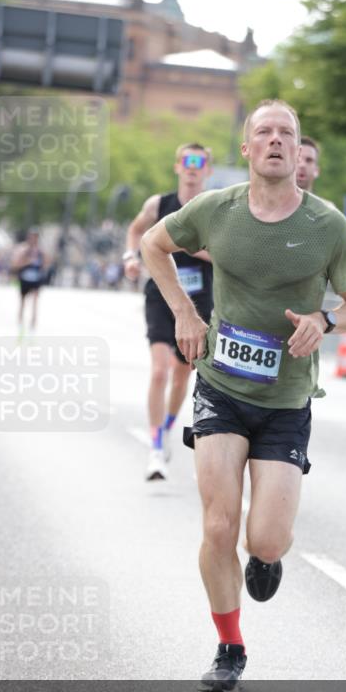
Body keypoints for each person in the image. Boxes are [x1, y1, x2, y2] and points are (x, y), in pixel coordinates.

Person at [141, 99, 346, 692]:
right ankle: (229, 646)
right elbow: (152, 247)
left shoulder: (327, 226)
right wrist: (186, 314)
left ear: (299, 154)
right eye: (263, 132)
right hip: (220, 385)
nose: (275, 141)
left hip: (287, 399)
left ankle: (266, 557)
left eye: (286, 134)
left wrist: (324, 319)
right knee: (218, 526)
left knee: (262, 538)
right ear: (246, 150)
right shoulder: (215, 210)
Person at [124, 143, 214, 482]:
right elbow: (136, 231)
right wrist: (131, 257)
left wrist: (178, 245)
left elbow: (222, 254)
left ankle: (168, 426)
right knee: (159, 371)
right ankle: (157, 446)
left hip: (199, 297)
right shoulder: (158, 204)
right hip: (161, 294)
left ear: (208, 169)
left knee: (182, 373)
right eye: (187, 162)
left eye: (199, 162)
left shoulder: (213, 208)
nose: (192, 167)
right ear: (178, 167)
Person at [11, 228, 46, 334]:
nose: (34, 239)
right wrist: (27, 262)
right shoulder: (23, 250)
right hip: (25, 278)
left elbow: (45, 264)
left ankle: (33, 324)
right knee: (23, 301)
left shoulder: (40, 251)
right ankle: (20, 323)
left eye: (36, 237)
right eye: (32, 237)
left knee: (35, 300)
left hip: (36, 279)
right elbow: (15, 264)